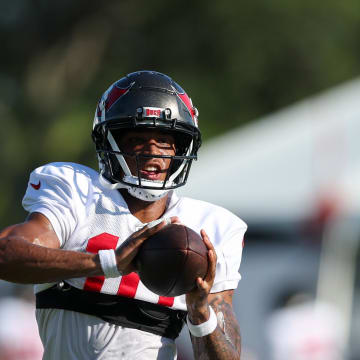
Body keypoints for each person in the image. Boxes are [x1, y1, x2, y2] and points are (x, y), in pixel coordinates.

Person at [0, 70, 247, 360]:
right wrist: (106, 262)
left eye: (166, 141)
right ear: (111, 142)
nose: (153, 152)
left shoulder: (211, 228)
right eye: (137, 140)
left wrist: (200, 313)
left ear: (182, 148)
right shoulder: (77, 193)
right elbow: (6, 254)